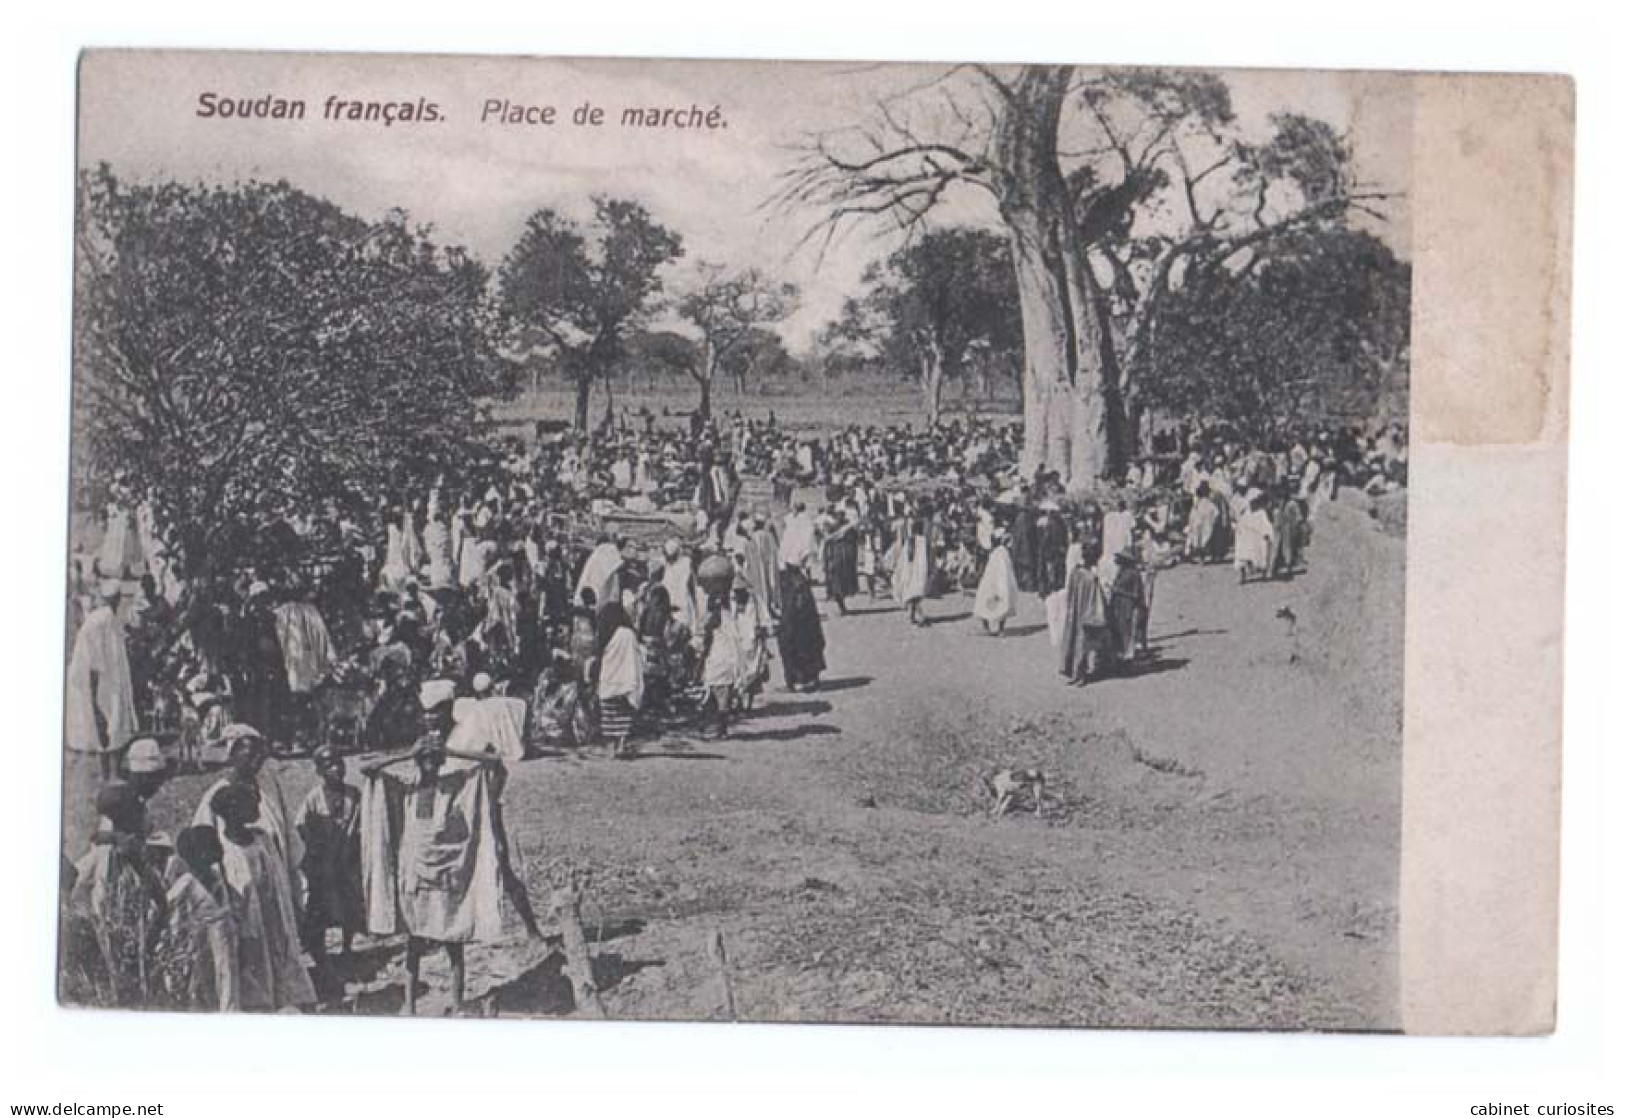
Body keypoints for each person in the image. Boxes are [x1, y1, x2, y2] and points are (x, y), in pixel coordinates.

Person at [359, 738, 520, 1015]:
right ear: (418, 762)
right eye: (425, 760)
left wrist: (449, 750)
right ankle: (409, 1006)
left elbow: (495, 763)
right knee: (414, 944)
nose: (430, 765)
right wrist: (408, 751)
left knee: (453, 941)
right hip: (415, 878)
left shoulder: (455, 784)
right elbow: (368, 769)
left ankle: (457, 1004)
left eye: (435, 760)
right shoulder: (406, 787)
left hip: (446, 877)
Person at [210, 782, 316, 1012]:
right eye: (252, 803)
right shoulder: (224, 851)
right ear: (234, 811)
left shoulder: (262, 839)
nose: (258, 807)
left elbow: (277, 880)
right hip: (247, 926)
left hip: (274, 917)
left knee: (283, 963)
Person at [66, 783, 169, 1007]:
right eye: (142, 814)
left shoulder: (128, 849)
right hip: (121, 939)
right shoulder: (111, 852)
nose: (147, 820)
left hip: (132, 939)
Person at [193, 725, 304, 913]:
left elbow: (289, 840)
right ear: (233, 755)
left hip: (275, 885)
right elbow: (201, 846)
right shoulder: (217, 796)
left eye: (260, 753)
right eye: (249, 753)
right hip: (240, 891)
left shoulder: (269, 791)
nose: (256, 759)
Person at [295, 747, 365, 998]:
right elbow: (301, 825)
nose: (336, 769)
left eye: (339, 763)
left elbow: (361, 822)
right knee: (320, 908)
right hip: (324, 863)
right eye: (329, 765)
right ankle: (322, 954)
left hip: (346, 861)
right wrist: (315, 847)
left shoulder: (353, 795)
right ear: (320, 771)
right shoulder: (314, 798)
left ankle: (347, 948)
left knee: (350, 906)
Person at [157, 825, 240, 1012]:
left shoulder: (217, 876)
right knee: (206, 979)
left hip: (225, 932)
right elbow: (167, 903)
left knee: (228, 976)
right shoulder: (188, 881)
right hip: (205, 937)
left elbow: (231, 898)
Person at [65, 580, 138, 780]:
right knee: (106, 726)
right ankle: (109, 774)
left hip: (111, 681)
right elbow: (92, 660)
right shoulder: (100, 621)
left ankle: (111, 773)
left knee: (113, 726)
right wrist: (95, 688)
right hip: (100, 682)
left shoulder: (111, 618)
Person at [595, 602, 644, 757]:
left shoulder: (605, 633)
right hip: (625, 679)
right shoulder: (628, 634)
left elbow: (600, 656)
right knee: (624, 716)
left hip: (609, 679)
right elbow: (635, 655)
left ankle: (612, 747)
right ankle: (621, 744)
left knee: (610, 717)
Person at [776, 549, 827, 693]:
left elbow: (793, 608)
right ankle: (807, 679)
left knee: (791, 646)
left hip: (797, 624)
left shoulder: (793, 583)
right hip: (805, 624)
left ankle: (794, 681)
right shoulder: (800, 581)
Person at [973, 528, 1019, 636]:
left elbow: (1001, 571)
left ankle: (992, 627)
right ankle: (998, 628)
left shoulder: (999, 553)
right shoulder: (1001, 553)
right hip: (996, 582)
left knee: (989, 602)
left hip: (994, 583)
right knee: (995, 602)